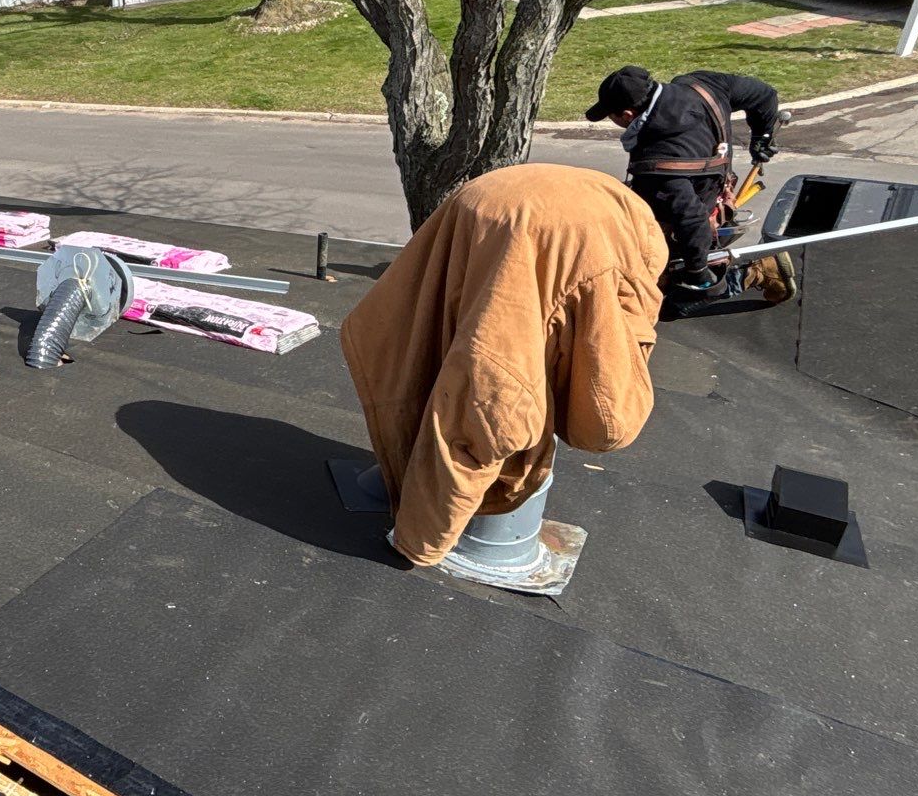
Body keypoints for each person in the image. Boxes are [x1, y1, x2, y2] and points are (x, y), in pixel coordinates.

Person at [340, 164, 665, 568]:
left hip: (488, 203)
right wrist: (421, 539)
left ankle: (419, 486)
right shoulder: (605, 249)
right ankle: (443, 509)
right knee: (493, 394)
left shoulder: (573, 256)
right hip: (596, 217)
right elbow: (596, 423)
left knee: (469, 352)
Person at [584, 65, 795, 305]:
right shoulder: (702, 85)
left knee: (672, 302)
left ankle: (760, 272)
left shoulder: (656, 159)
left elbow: (692, 220)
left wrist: (697, 272)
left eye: (610, 116)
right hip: (710, 200)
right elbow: (765, 95)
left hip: (688, 230)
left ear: (627, 115)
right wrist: (762, 138)